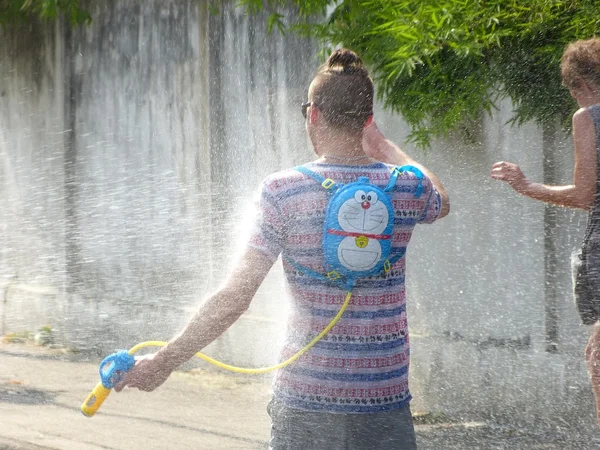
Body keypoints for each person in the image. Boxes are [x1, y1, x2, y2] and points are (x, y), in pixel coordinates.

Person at [115, 48, 450, 449]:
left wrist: (164, 362)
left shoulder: (284, 190)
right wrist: (384, 148)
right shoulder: (406, 187)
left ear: (313, 114)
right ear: (368, 120)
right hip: (383, 399)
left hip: (307, 400)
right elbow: (441, 199)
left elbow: (235, 298)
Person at [490, 37, 600, 427]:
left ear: (580, 86)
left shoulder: (588, 117)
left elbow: (585, 194)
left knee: (599, 358)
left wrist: (525, 185)